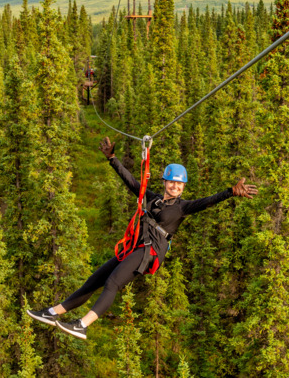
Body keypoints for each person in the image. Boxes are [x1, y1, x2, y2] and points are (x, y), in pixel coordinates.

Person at [27, 137, 258, 339]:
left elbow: (207, 201)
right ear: (165, 182)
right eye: (172, 182)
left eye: (179, 184)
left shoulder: (183, 208)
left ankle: (82, 325)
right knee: (95, 280)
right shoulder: (153, 199)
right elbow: (132, 182)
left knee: (113, 283)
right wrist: (112, 159)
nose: (175, 186)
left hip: (150, 252)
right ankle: (53, 312)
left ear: (183, 187)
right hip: (135, 247)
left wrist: (230, 192)